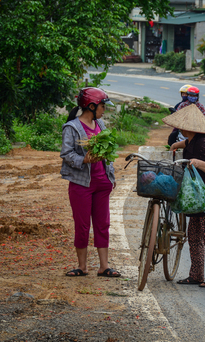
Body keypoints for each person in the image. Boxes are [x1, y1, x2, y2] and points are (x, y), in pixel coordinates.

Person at [164, 104, 205, 288]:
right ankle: (196, 275)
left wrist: (198, 162)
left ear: (189, 127)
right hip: (198, 200)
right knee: (194, 237)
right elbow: (187, 144)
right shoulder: (193, 140)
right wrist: (176, 144)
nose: (180, 129)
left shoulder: (204, 143)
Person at [60, 87, 121, 278]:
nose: (104, 109)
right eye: (102, 106)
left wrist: (110, 176)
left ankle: (104, 266)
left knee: (103, 224)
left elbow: (107, 154)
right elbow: (66, 154)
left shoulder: (101, 125)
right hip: (82, 184)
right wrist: (84, 160)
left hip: (102, 183)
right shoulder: (72, 128)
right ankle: (82, 267)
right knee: (83, 225)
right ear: (91, 106)